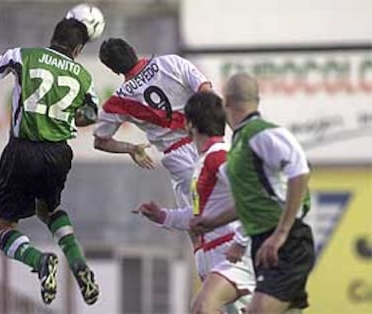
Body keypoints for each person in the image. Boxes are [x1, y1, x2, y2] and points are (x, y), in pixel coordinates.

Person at [0, 19, 99, 305]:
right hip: (58, 154)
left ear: (53, 37)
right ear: (78, 48)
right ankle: (78, 262)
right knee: (48, 209)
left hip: (22, 150)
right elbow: (92, 114)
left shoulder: (24, 55)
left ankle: (40, 261)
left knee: (1, 227)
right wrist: (67, 117)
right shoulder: (84, 77)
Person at [191, 73, 315, 314]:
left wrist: (280, 234)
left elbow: (300, 172)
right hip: (263, 243)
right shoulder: (239, 142)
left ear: (226, 102)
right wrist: (213, 222)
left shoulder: (261, 133)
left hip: (285, 244)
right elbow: (252, 201)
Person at [133, 92, 255, 314]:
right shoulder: (205, 160)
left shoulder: (219, 157)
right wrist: (164, 216)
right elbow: (201, 213)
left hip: (231, 257)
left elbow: (252, 198)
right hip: (216, 260)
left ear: (189, 125)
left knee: (202, 308)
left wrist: (241, 242)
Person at [94, 38, 212, 208]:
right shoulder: (171, 62)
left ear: (113, 70)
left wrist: (132, 149)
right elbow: (206, 91)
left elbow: (100, 142)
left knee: (195, 217)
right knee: (230, 206)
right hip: (206, 140)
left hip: (179, 157)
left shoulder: (118, 101)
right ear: (133, 50)